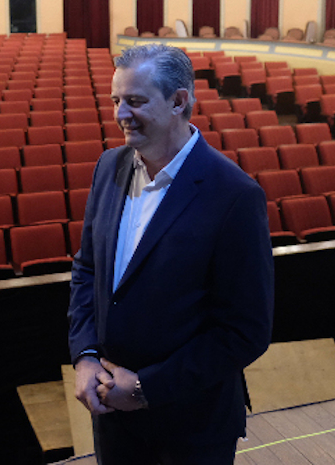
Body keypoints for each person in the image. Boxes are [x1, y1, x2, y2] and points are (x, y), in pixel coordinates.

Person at [68, 45, 274, 464]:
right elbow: (87, 269)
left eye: (135, 101)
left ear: (179, 101)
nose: (121, 114)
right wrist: (85, 356)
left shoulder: (234, 194)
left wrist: (146, 388)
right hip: (115, 417)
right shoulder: (108, 167)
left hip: (191, 424)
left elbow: (245, 331)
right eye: (116, 100)